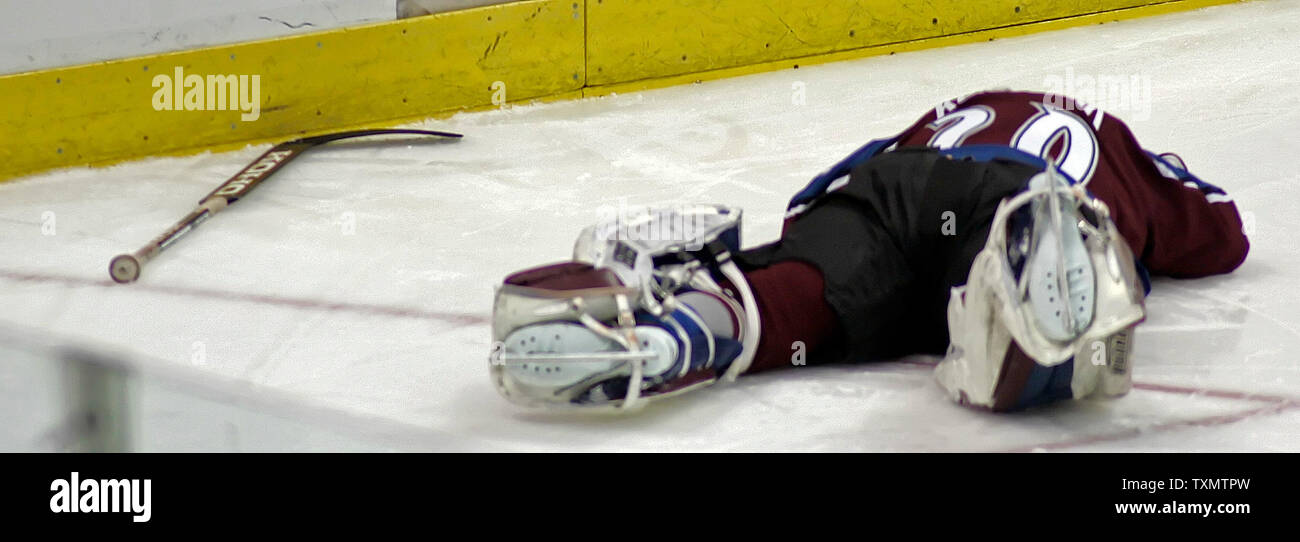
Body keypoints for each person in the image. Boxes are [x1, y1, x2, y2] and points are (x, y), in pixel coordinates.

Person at [488, 90, 1249, 412]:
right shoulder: (1110, 135)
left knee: (795, 295)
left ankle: (691, 324)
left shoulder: (941, 114)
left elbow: (816, 199)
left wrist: (809, 246)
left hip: (887, 186)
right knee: (1028, 254)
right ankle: (1013, 311)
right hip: (1007, 195)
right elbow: (1222, 232)